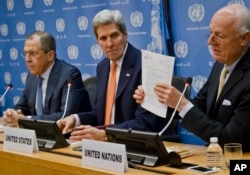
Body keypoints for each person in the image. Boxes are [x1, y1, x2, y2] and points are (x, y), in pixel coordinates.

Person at [134, 4, 250, 151]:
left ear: (244, 39)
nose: (210, 42)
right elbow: (199, 106)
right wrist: (156, 98)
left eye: (220, 36)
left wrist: (181, 104)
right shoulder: (221, 66)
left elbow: (230, 140)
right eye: (210, 33)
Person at [58, 9, 164, 141]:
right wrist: (75, 119)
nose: (109, 44)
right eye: (103, 38)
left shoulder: (150, 66)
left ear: (125, 34)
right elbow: (100, 114)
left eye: (114, 36)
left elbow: (146, 124)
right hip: (107, 145)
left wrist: (106, 134)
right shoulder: (102, 67)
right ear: (97, 41)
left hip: (138, 145)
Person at [1, 31, 92, 126]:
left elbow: (65, 115)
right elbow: (23, 107)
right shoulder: (32, 76)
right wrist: (11, 114)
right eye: (25, 53)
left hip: (68, 136)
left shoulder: (70, 75)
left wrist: (26, 119)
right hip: (39, 134)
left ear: (50, 56)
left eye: (33, 53)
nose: (27, 59)